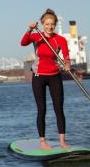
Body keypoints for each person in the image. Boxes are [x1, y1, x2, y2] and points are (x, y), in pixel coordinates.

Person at [21, 9, 71, 150]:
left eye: (52, 24)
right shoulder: (37, 37)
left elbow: (66, 56)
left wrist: (67, 64)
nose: (50, 27)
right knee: (41, 109)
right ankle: (43, 142)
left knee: (58, 108)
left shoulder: (60, 39)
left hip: (55, 76)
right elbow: (23, 42)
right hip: (39, 76)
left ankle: (62, 141)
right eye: (47, 24)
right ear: (43, 24)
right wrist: (29, 29)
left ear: (55, 25)